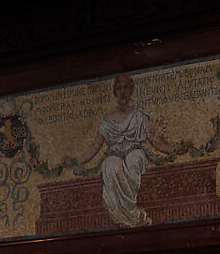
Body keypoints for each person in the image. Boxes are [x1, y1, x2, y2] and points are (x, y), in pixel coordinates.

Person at [70, 73, 179, 228]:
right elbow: (95, 146)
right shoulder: (106, 122)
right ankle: (128, 217)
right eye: (119, 88)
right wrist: (75, 161)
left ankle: (131, 215)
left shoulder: (139, 116)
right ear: (115, 92)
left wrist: (175, 149)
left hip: (136, 152)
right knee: (110, 165)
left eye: (126, 88)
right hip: (114, 155)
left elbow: (155, 140)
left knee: (134, 160)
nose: (122, 92)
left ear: (131, 90)